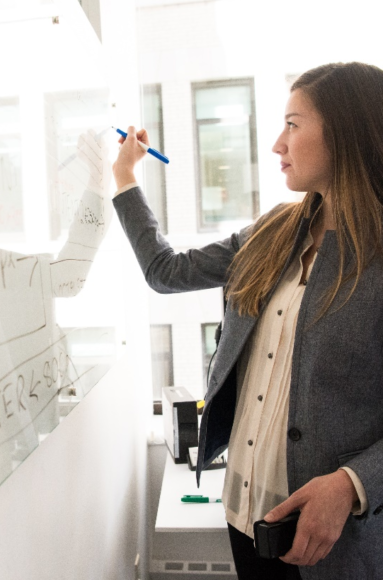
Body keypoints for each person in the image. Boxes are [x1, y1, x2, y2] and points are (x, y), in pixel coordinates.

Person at [111, 62, 383, 580]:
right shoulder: (273, 232)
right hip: (245, 517)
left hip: (336, 542)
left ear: (347, 132)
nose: (278, 144)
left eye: (293, 124)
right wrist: (125, 178)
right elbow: (166, 271)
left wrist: (352, 482)